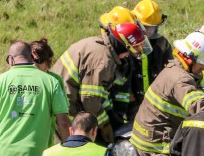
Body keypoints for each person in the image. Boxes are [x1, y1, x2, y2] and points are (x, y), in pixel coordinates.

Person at [52, 15, 147, 144]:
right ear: (123, 45)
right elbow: (90, 99)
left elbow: (100, 94)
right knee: (68, 152)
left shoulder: (103, 48)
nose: (130, 54)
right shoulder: (103, 62)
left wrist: (112, 116)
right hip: (63, 110)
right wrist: (104, 125)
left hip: (63, 101)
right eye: (133, 48)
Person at [0, 37, 64, 156]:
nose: (34, 64)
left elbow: (62, 119)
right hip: (9, 151)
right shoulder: (10, 79)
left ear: (48, 62)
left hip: (42, 147)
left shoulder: (53, 81)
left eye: (38, 61)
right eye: (32, 60)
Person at [131, 0, 174, 104]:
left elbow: (169, 73)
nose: (148, 31)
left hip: (155, 101)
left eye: (152, 28)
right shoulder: (128, 42)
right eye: (144, 27)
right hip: (130, 101)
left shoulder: (162, 44)